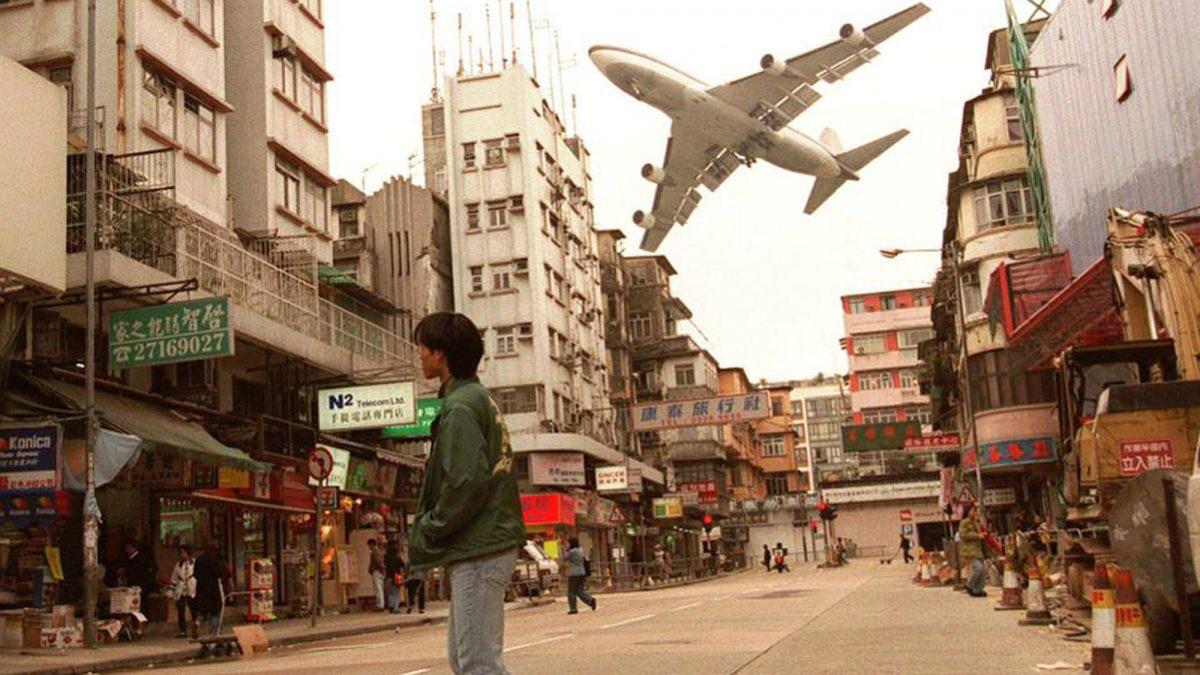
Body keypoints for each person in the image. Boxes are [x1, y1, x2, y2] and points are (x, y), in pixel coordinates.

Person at [406, 313, 526, 674]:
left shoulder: (460, 407)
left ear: (440, 354)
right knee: (466, 661)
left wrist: (430, 524)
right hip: (481, 544)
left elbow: (465, 483)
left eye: (423, 348)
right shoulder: (475, 397)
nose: (419, 356)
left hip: (480, 545)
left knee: (478, 663)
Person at [193, 543, 228, 635]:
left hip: (201, 589)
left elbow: (195, 574)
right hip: (213, 589)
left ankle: (197, 622)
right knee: (215, 611)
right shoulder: (215, 560)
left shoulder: (199, 559)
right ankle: (213, 633)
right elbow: (220, 573)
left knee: (201, 610)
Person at [168, 546, 197, 638]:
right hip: (181, 589)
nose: (182, 555)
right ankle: (182, 630)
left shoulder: (195, 563)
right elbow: (174, 578)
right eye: (181, 553)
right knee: (180, 610)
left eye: (184, 552)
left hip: (192, 588)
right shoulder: (178, 565)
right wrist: (170, 591)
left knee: (194, 610)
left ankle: (195, 628)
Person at [564, 538, 597, 615]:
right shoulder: (580, 550)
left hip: (574, 573)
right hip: (582, 572)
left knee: (571, 591)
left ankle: (573, 608)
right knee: (579, 590)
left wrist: (566, 549)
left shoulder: (572, 552)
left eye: (568, 543)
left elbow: (565, 557)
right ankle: (590, 600)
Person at [959, 506, 986, 597]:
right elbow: (963, 535)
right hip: (969, 551)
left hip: (978, 550)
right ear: (967, 511)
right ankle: (969, 585)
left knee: (982, 570)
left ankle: (977, 590)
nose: (975, 512)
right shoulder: (964, 522)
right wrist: (977, 535)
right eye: (973, 510)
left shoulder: (976, 523)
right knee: (978, 568)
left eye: (975, 510)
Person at [367, 539, 386, 611]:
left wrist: (381, 570)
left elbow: (378, 562)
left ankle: (380, 605)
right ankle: (380, 604)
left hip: (377, 571)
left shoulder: (375, 552)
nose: (369, 547)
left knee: (378, 588)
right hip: (379, 571)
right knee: (379, 588)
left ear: (371, 544)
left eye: (369, 545)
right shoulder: (378, 551)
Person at [384, 542, 403, 613]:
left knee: (390, 593)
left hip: (388, 577)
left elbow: (384, 566)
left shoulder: (386, 557)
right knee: (396, 593)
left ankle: (391, 606)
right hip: (396, 577)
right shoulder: (397, 558)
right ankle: (396, 608)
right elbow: (402, 565)